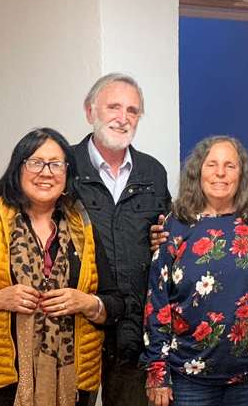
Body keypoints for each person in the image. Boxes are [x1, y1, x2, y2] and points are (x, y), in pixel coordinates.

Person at [0, 128, 124, 406]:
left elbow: (116, 304)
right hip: (4, 383)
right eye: (35, 162)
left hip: (74, 385)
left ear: (67, 173)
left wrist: (86, 303)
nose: (46, 172)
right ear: (18, 169)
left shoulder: (84, 229)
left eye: (56, 164)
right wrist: (0, 298)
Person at [142, 136, 248, 406]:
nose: (220, 173)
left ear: (242, 175)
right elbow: (157, 303)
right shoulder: (176, 224)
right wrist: (157, 371)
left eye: (230, 166)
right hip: (187, 381)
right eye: (211, 164)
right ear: (198, 172)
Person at [73, 73, 172, 405]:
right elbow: (18, 207)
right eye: (113, 107)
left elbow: (166, 230)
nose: (123, 118)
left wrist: (163, 239)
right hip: (76, 330)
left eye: (132, 110)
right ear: (90, 112)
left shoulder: (153, 172)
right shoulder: (64, 167)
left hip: (134, 332)